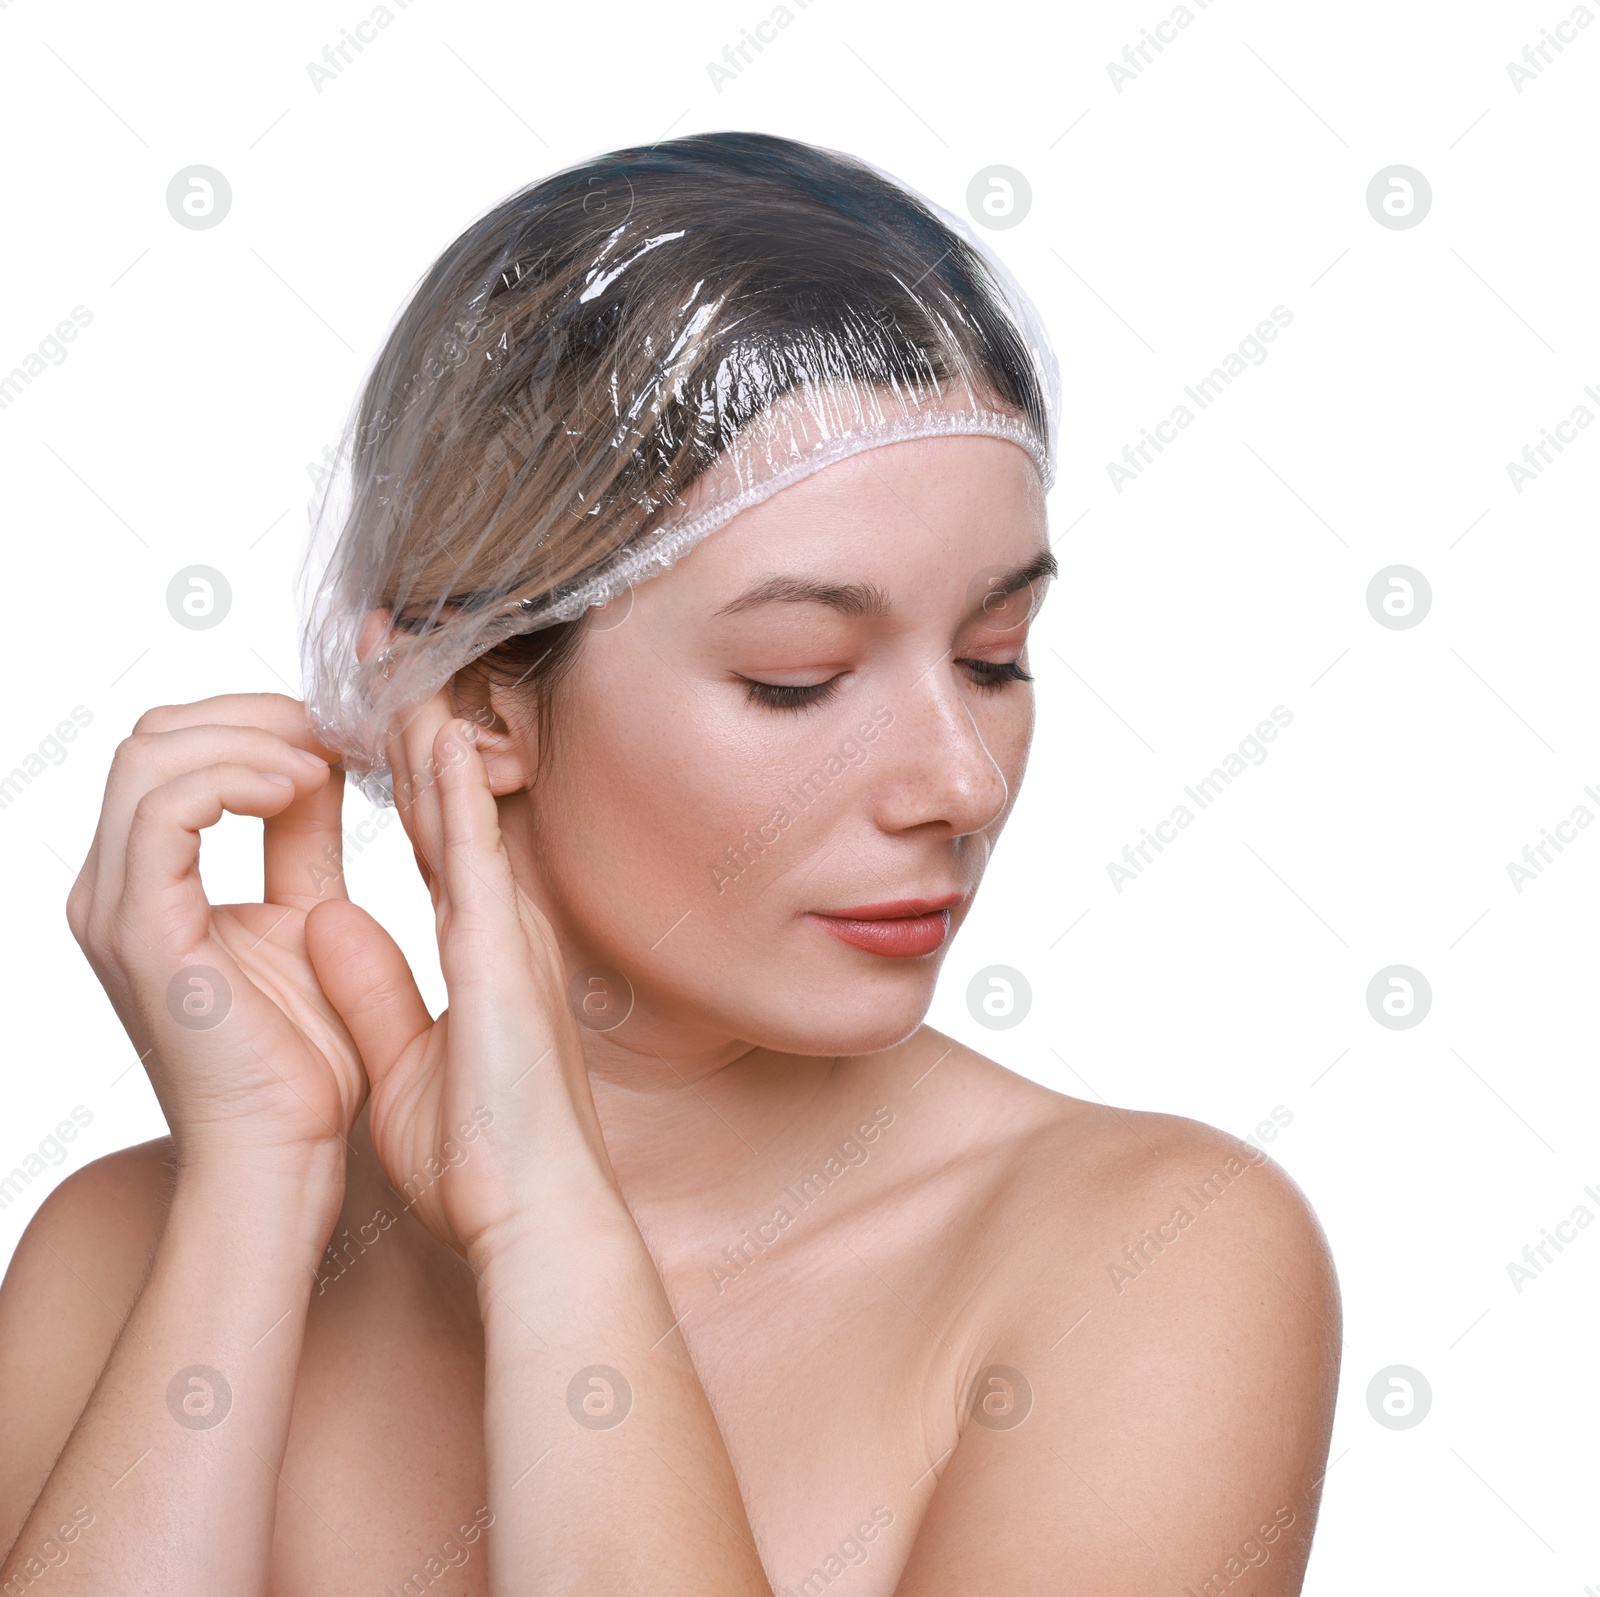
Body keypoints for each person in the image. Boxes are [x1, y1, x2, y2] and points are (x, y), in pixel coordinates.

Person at [0, 131, 1338, 1594]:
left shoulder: (1150, 1260)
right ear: (474, 696)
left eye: (994, 658)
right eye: (799, 676)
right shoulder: (120, 1250)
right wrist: (256, 1193)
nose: (961, 780)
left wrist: (552, 1231)